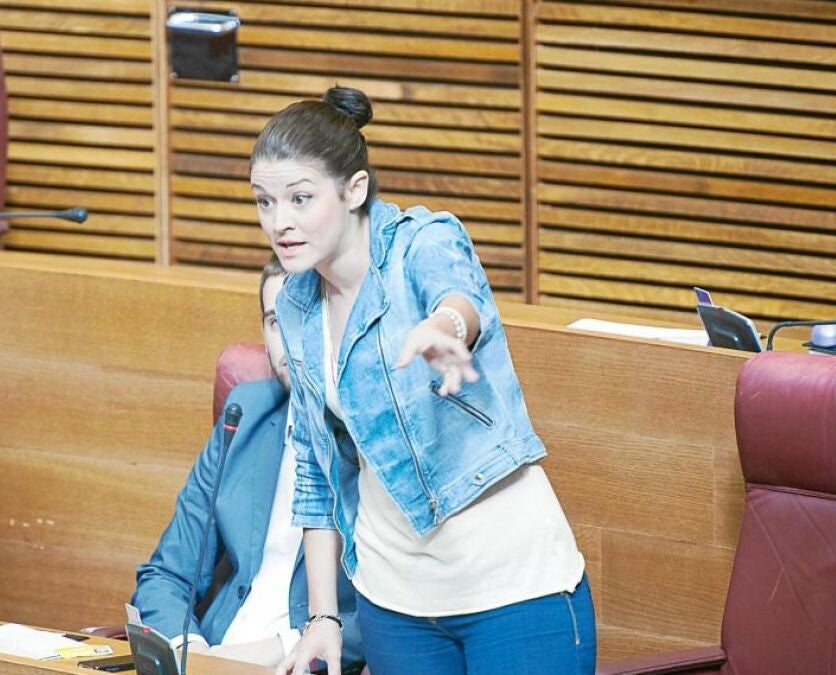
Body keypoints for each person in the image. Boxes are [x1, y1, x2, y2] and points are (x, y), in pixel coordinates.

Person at [252, 87, 595, 675]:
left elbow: (458, 298)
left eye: (301, 199)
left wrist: (445, 328)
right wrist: (324, 617)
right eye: (265, 202)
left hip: (513, 586)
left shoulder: (420, 242)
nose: (280, 223)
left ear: (354, 190)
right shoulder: (295, 306)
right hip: (394, 603)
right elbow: (316, 467)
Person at [132, 258, 364, 671]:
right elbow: (166, 575)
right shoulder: (245, 415)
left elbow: (409, 618)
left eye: (305, 315)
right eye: (276, 321)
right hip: (216, 653)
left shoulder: (382, 440)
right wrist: (193, 652)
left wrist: (285, 647)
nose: (290, 338)